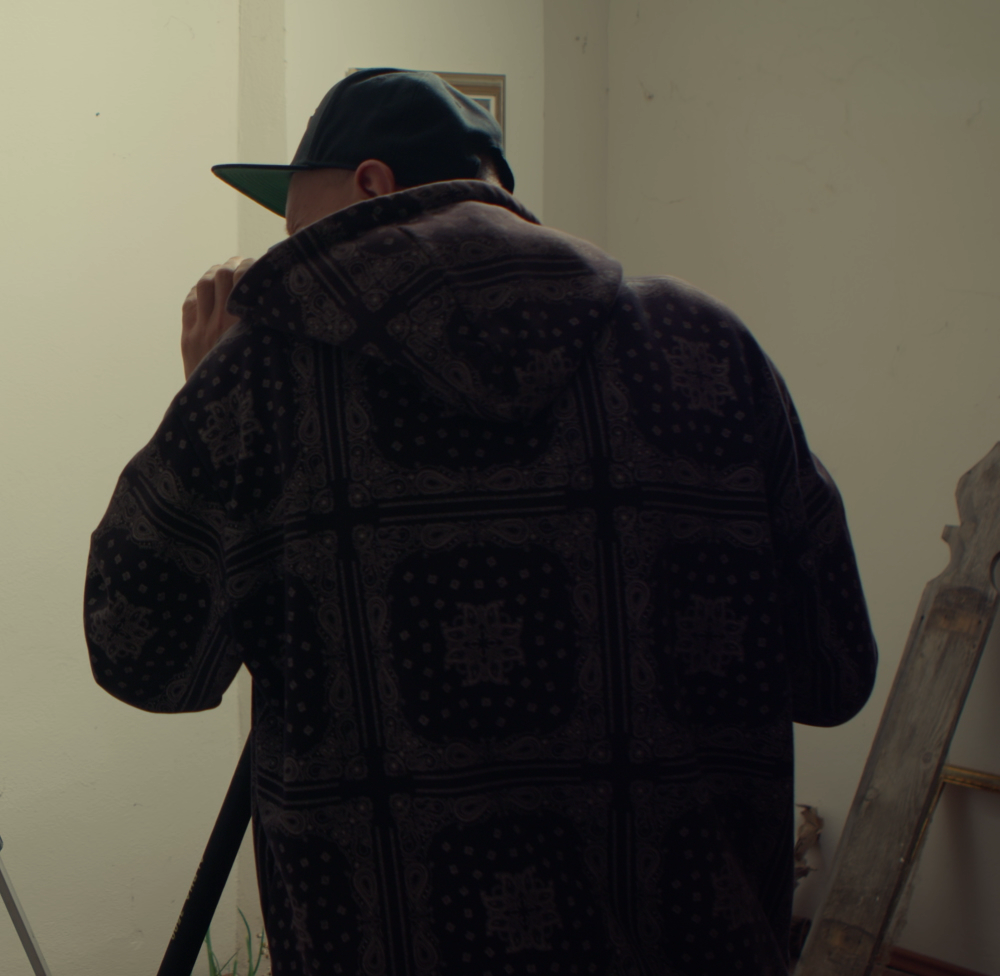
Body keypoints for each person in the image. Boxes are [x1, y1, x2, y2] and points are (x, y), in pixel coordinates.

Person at [83, 68, 877, 975]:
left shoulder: (260, 380)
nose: (286, 250)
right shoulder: (707, 345)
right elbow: (835, 672)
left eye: (293, 218)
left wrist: (209, 403)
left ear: (372, 186)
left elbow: (146, 661)